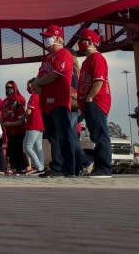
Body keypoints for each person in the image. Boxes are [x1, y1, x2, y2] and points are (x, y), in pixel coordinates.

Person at [32, 24, 88, 178]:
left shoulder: (63, 54)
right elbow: (40, 77)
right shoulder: (47, 58)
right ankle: (57, 166)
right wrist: (37, 84)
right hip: (47, 103)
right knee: (53, 137)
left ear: (57, 38)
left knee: (64, 136)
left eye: (48, 37)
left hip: (59, 101)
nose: (46, 40)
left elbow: (56, 74)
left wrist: (38, 82)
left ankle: (69, 168)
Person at [76, 28, 112, 178]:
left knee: (101, 136)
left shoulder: (97, 58)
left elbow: (99, 80)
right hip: (88, 103)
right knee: (96, 137)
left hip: (96, 102)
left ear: (90, 42)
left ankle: (104, 168)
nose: (79, 43)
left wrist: (90, 98)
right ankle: (98, 166)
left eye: (81, 40)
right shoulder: (86, 61)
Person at [0, 80, 27, 174]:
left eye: (10, 87)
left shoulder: (19, 99)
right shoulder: (5, 101)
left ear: (14, 87)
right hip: (9, 130)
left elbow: (22, 117)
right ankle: (13, 167)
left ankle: (22, 168)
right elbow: (3, 114)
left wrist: (9, 123)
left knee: (19, 149)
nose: (8, 89)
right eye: (7, 88)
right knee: (11, 150)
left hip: (18, 129)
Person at [22, 78, 45, 174]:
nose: (28, 88)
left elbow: (28, 111)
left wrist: (23, 117)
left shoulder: (34, 96)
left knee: (27, 147)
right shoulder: (40, 96)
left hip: (33, 124)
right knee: (38, 146)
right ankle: (41, 166)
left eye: (29, 85)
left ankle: (39, 167)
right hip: (40, 125)